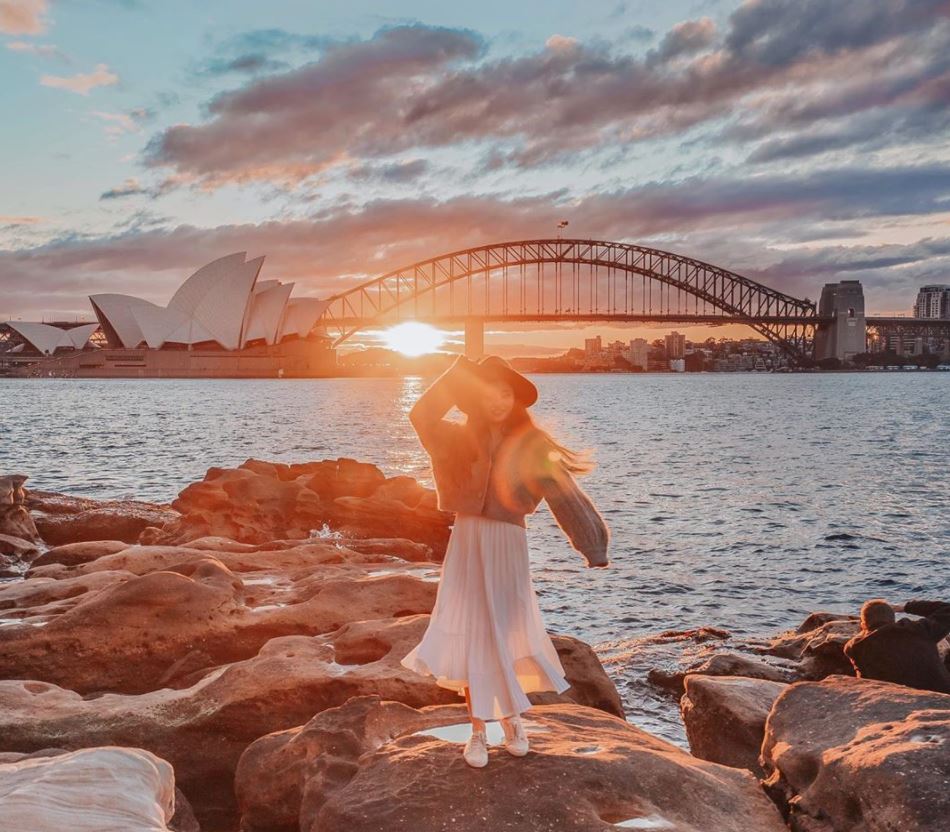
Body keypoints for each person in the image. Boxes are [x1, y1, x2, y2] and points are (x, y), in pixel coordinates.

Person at [399, 353, 610, 768]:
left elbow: (565, 496)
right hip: (468, 540)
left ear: (515, 399)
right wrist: (461, 371)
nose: (497, 401)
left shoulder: (532, 445)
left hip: (508, 542)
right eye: (488, 394)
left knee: (505, 633)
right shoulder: (455, 438)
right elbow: (421, 414)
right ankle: (478, 730)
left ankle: (513, 720)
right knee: (474, 633)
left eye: (505, 394)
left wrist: (592, 545)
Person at [843, 599, 950, 694]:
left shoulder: (856, 647)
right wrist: (905, 607)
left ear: (862, 624)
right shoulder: (919, 629)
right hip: (942, 694)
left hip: (898, 700)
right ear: (893, 619)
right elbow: (947, 609)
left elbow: (865, 683)